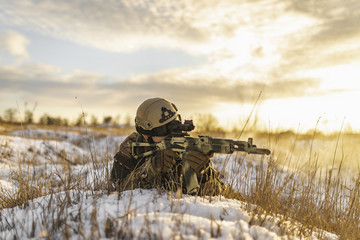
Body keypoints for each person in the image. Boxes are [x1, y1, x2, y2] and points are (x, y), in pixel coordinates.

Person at [110, 97, 225, 196]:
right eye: (164, 131)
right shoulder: (132, 144)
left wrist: (203, 174)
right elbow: (117, 187)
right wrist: (151, 168)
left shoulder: (189, 147)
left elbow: (218, 194)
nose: (171, 134)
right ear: (146, 135)